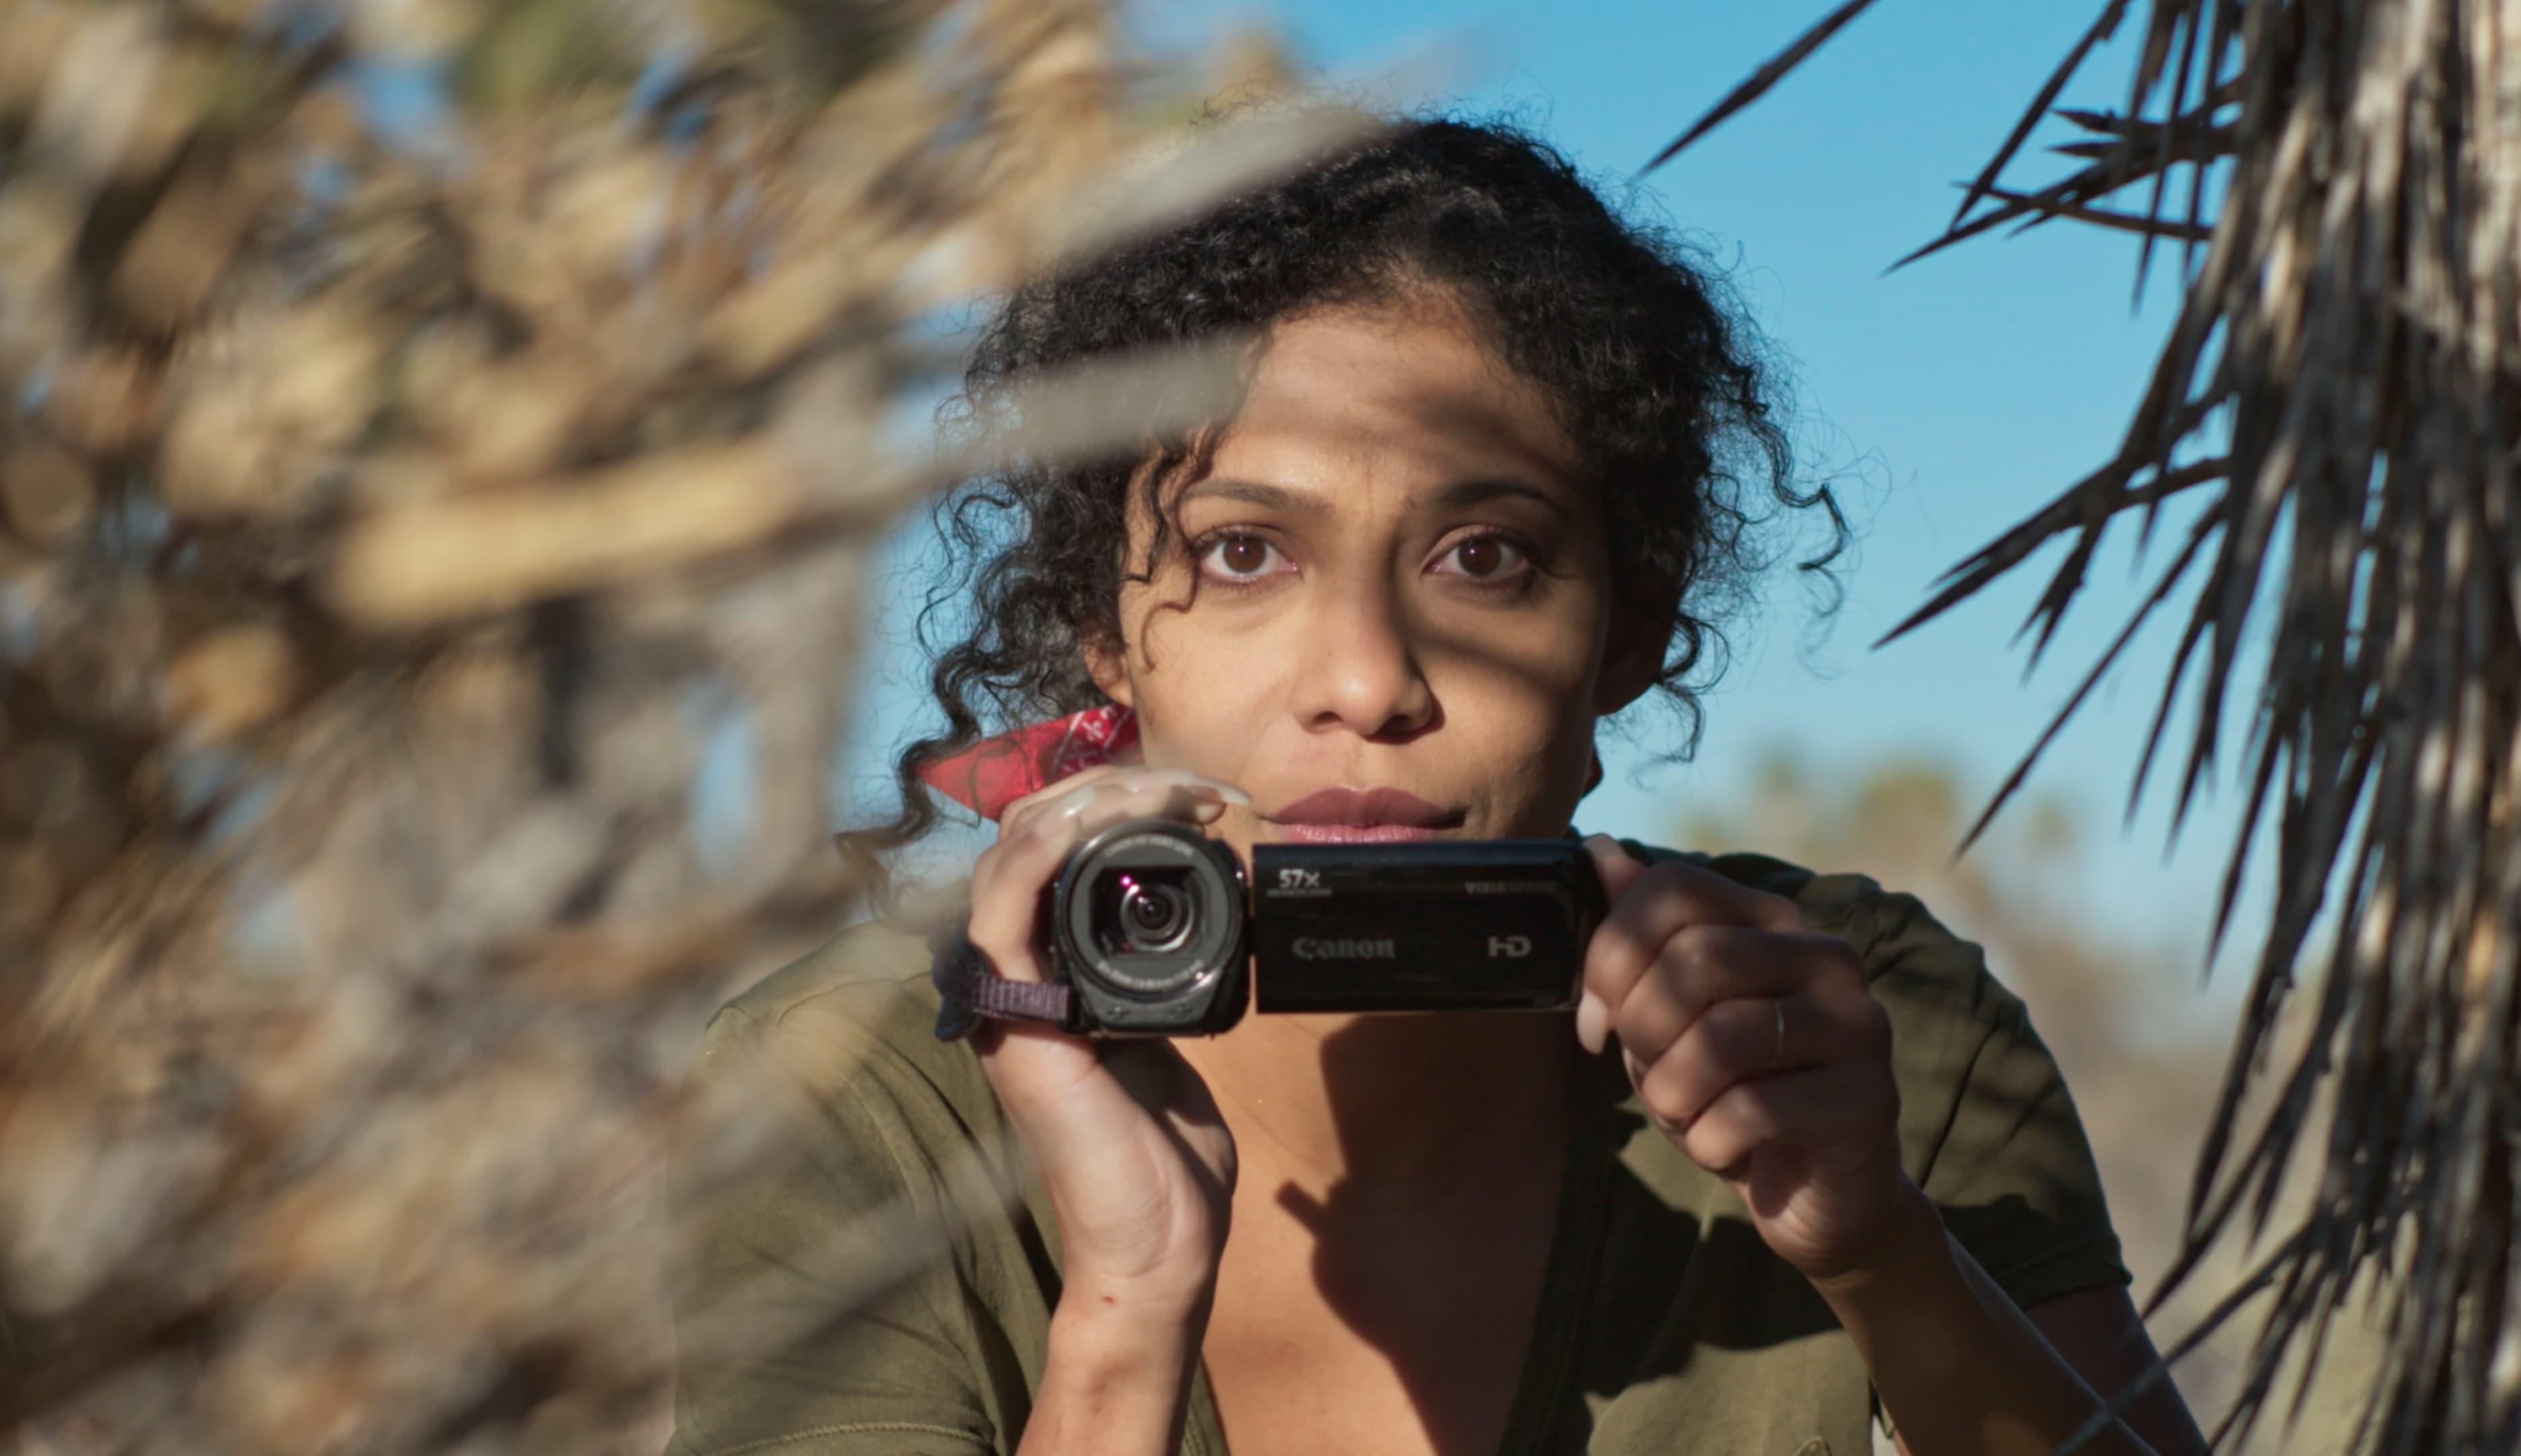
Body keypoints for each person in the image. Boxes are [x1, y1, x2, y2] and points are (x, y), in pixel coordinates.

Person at [663, 114, 2212, 1456]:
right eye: (1244, 551)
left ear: (1624, 639)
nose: (1368, 679)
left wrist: (1884, 1253)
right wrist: (1124, 1317)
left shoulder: (1843, 1036)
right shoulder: (854, 1096)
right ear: (1106, 636)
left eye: (1486, 559)